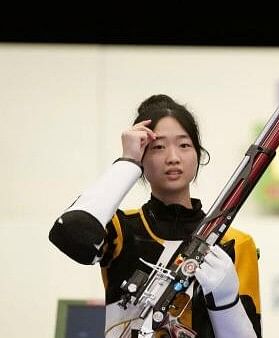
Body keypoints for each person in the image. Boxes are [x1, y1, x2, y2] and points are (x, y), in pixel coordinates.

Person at [49, 94, 261, 338]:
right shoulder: (120, 229)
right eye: (158, 147)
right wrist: (127, 162)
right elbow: (68, 233)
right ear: (142, 157)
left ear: (198, 155)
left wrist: (226, 303)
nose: (173, 157)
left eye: (184, 145)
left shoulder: (233, 243)